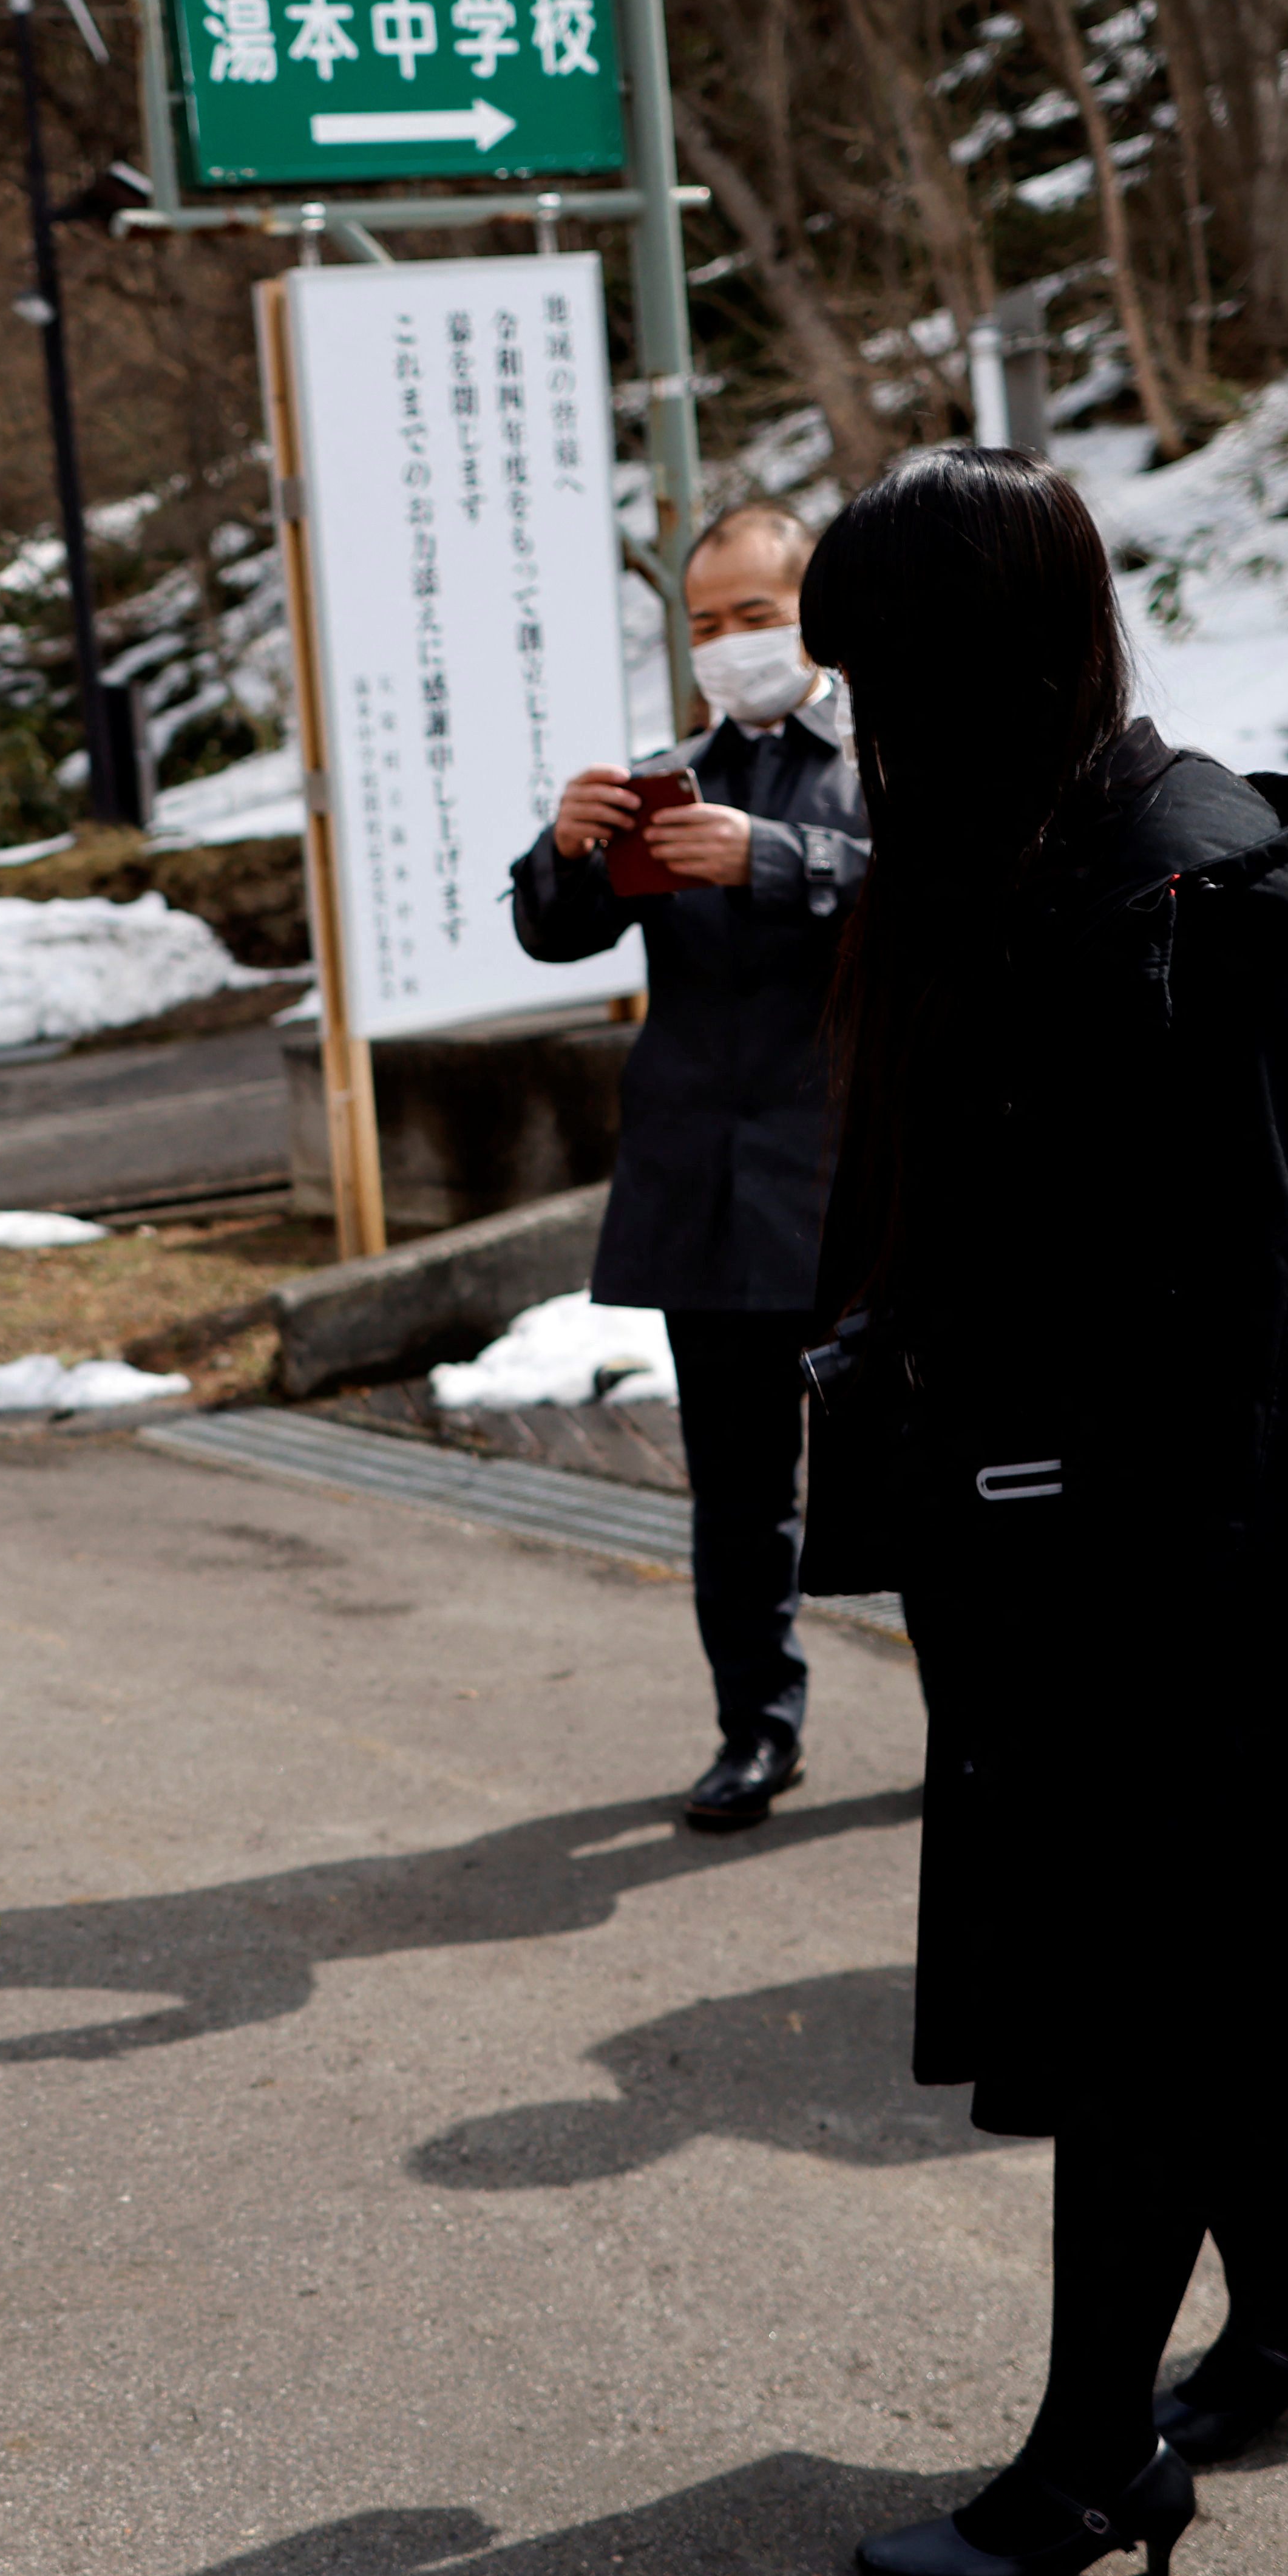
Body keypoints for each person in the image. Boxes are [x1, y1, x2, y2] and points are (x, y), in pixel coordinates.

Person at [794, 449, 1288, 2576]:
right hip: (1055, 1559)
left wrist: (1155, 1578)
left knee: (1145, 2002)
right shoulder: (1016, 857)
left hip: (1188, 1580)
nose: (846, 733)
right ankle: (1285, 2319)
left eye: (869, 683)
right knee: (1167, 1982)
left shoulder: (1196, 896)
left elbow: (1269, 1317)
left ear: (967, 665)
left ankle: (1092, 2465)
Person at [513, 500, 868, 1830]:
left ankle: (987, 1722)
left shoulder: (891, 752)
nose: (730, 644)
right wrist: (563, 849)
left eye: (756, 615)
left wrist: (777, 860)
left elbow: (953, 894)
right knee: (736, 1492)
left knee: (917, 1469)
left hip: (859, 1182)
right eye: (705, 623)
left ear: (815, 614)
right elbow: (555, 937)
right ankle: (756, 1727)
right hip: (707, 1190)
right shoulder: (668, 777)